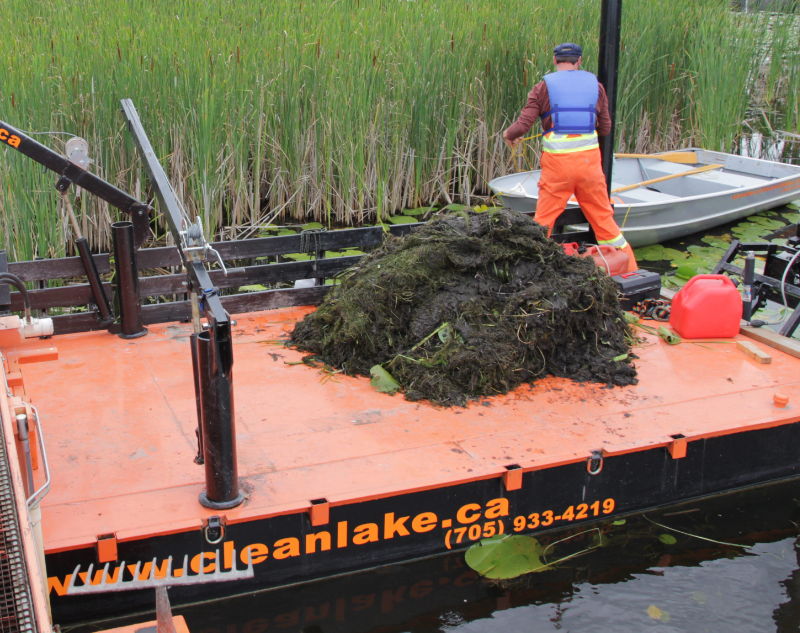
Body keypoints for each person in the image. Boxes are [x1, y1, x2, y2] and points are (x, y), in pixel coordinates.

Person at [503, 42, 637, 272]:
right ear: (579, 61)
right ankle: (630, 272)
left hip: (558, 169)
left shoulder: (543, 87)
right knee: (604, 222)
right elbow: (605, 128)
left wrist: (509, 135)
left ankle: (534, 274)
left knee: (543, 223)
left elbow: (523, 124)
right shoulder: (596, 86)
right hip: (589, 167)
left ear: (555, 61)